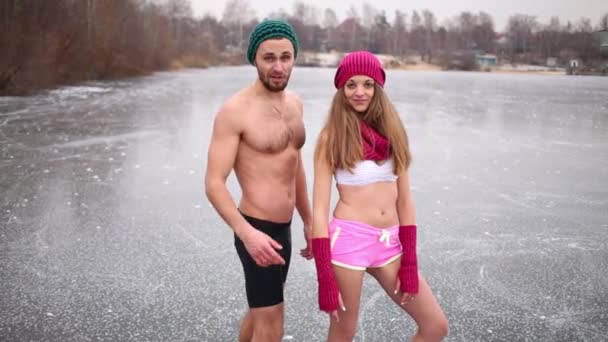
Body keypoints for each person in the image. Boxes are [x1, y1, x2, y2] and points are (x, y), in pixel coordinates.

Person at [310, 51, 449, 341]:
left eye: (368, 84)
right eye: (351, 85)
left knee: (435, 326)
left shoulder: (394, 133)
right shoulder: (331, 138)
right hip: (348, 241)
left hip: (390, 243)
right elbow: (320, 208)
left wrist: (410, 262)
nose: (360, 92)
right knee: (343, 333)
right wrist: (325, 278)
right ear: (341, 89)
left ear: (378, 88)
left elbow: (405, 201)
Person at [204, 20, 313, 342]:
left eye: (285, 57)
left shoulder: (295, 104)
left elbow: (295, 164)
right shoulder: (235, 111)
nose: (278, 67)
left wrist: (307, 220)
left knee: (260, 311)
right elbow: (213, 182)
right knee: (272, 322)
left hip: (284, 229)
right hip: (256, 229)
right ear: (255, 58)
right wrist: (248, 234)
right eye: (269, 58)